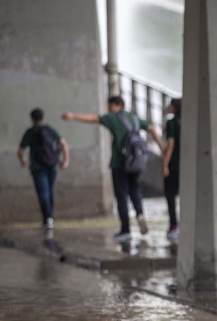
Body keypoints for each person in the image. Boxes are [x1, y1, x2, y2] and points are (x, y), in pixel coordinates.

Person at [62, 96, 165, 242]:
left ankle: (125, 230)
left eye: (110, 106)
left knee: (121, 195)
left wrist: (73, 116)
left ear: (117, 105)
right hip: (136, 162)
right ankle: (140, 214)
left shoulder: (113, 118)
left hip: (120, 163)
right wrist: (162, 149)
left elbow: (94, 119)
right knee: (135, 189)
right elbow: (153, 129)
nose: (109, 108)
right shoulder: (134, 118)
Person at [18, 108, 69, 232]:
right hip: (52, 165)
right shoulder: (50, 130)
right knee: (50, 191)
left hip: (38, 167)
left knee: (43, 192)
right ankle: (49, 218)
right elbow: (63, 143)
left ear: (31, 119)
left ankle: (48, 219)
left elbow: (20, 151)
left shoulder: (30, 132)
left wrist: (23, 160)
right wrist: (65, 160)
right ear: (43, 117)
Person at [163, 98, 181, 243]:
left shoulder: (171, 123)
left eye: (170, 105)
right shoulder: (186, 122)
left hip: (173, 165)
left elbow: (171, 144)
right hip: (185, 167)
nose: (168, 107)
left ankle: (174, 225)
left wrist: (165, 164)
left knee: (170, 196)